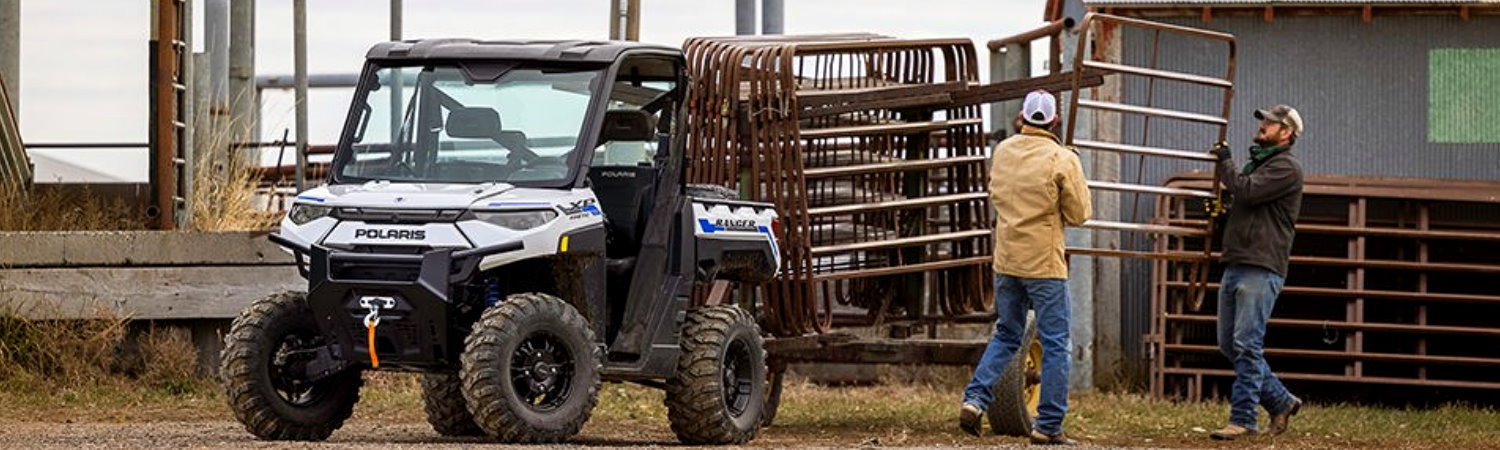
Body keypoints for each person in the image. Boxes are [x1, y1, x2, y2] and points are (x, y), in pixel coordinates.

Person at [959, 90, 1091, 445]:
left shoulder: (1003, 152)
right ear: (1054, 120)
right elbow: (1080, 214)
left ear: (1022, 116)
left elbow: (995, 193)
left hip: (1007, 260)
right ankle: (1048, 424)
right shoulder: (1061, 158)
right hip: (1044, 264)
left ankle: (975, 399)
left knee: (1007, 333)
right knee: (1056, 342)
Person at [1206, 104, 1306, 440]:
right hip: (1239, 261)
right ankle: (1280, 401)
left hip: (1261, 266)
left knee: (1246, 344)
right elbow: (1246, 202)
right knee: (1229, 344)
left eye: (1271, 123)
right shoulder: (1261, 165)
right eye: (1264, 122)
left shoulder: (1286, 168)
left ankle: (1243, 417)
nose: (1263, 126)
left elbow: (1247, 190)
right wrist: (1222, 215)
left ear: (1286, 133)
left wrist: (1225, 164)